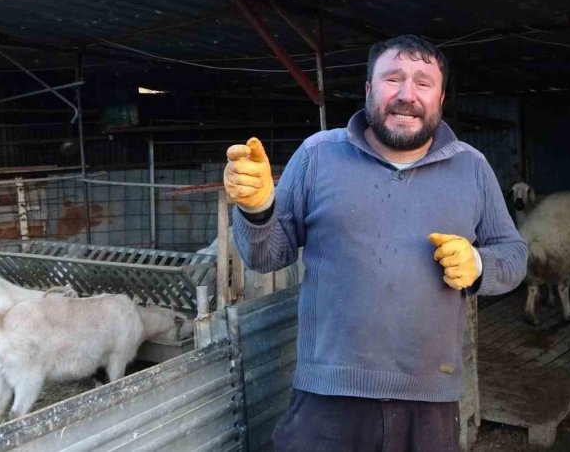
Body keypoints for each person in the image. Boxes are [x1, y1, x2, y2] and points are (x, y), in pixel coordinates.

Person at [223, 34, 527, 451]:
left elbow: (514, 255)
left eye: (423, 83)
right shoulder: (317, 156)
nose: (407, 95)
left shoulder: (471, 167)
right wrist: (258, 209)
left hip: (429, 402)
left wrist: (478, 264)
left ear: (440, 98)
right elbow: (265, 256)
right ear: (368, 89)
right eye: (392, 79)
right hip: (327, 396)